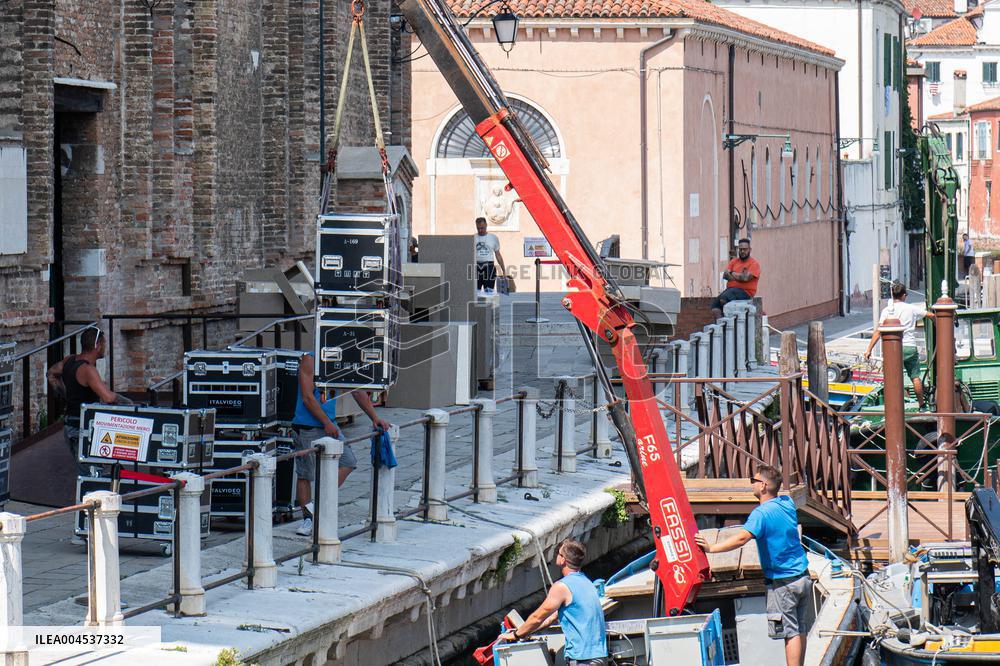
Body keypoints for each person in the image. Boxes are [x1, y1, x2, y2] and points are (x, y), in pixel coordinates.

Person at [695, 465, 813, 666]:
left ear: (764, 486)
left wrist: (712, 548)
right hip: (803, 577)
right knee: (800, 628)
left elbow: (742, 538)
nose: (751, 483)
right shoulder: (786, 503)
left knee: (790, 633)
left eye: (754, 480)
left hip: (783, 584)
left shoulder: (761, 514)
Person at [291, 351, 390, 536]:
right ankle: (308, 519)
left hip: (329, 424)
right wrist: (326, 422)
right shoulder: (309, 359)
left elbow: (357, 390)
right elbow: (307, 397)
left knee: (348, 461)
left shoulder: (342, 359)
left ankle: (317, 505)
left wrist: (374, 418)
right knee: (305, 473)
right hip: (307, 425)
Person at [500, 539, 607, 666]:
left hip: (582, 659)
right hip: (599, 656)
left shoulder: (562, 587)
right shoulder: (587, 583)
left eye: (558, 553)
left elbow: (538, 616)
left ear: (563, 560)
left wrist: (516, 635)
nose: (556, 555)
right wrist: (526, 632)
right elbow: (550, 619)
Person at [47, 325, 131, 476]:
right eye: (104, 344)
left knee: (93, 470)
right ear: (97, 346)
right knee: (90, 475)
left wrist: (63, 393)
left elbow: (51, 373)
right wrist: (128, 403)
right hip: (81, 428)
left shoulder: (69, 360)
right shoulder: (87, 370)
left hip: (70, 425)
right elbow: (108, 397)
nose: (105, 348)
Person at [864, 280, 935, 409]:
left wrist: (869, 349)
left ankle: (894, 405)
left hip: (893, 349)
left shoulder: (886, 311)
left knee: (892, 377)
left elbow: (878, 331)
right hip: (910, 347)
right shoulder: (911, 308)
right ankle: (922, 405)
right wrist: (937, 324)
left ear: (892, 295)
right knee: (915, 377)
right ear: (904, 295)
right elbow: (930, 315)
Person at [711, 238, 761, 318]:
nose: (742, 251)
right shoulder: (734, 261)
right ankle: (721, 326)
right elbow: (725, 275)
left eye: (745, 249)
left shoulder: (754, 264)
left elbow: (745, 278)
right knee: (715, 307)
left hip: (745, 292)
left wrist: (732, 273)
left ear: (750, 250)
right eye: (740, 249)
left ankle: (729, 322)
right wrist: (739, 276)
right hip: (730, 290)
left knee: (724, 299)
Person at [474, 216, 506, 294]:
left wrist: (503, 270)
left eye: (482, 228)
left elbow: (498, 255)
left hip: (489, 267)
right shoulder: (473, 237)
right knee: (475, 292)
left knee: (489, 292)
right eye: (478, 228)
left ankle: (488, 305)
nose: (480, 230)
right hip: (476, 267)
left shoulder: (493, 237)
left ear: (486, 225)